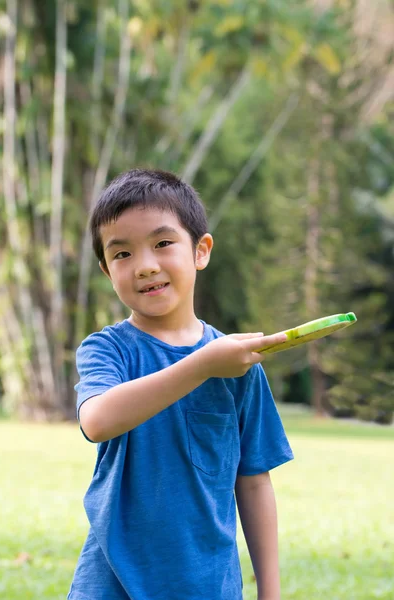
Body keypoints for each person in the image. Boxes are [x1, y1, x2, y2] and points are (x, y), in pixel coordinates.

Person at [67, 168, 293, 600]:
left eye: (163, 243)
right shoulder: (107, 350)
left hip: (208, 585)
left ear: (201, 250)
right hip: (110, 583)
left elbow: (254, 481)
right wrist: (203, 365)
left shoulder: (238, 363)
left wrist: (271, 592)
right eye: (122, 254)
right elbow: (96, 421)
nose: (145, 266)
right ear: (106, 269)